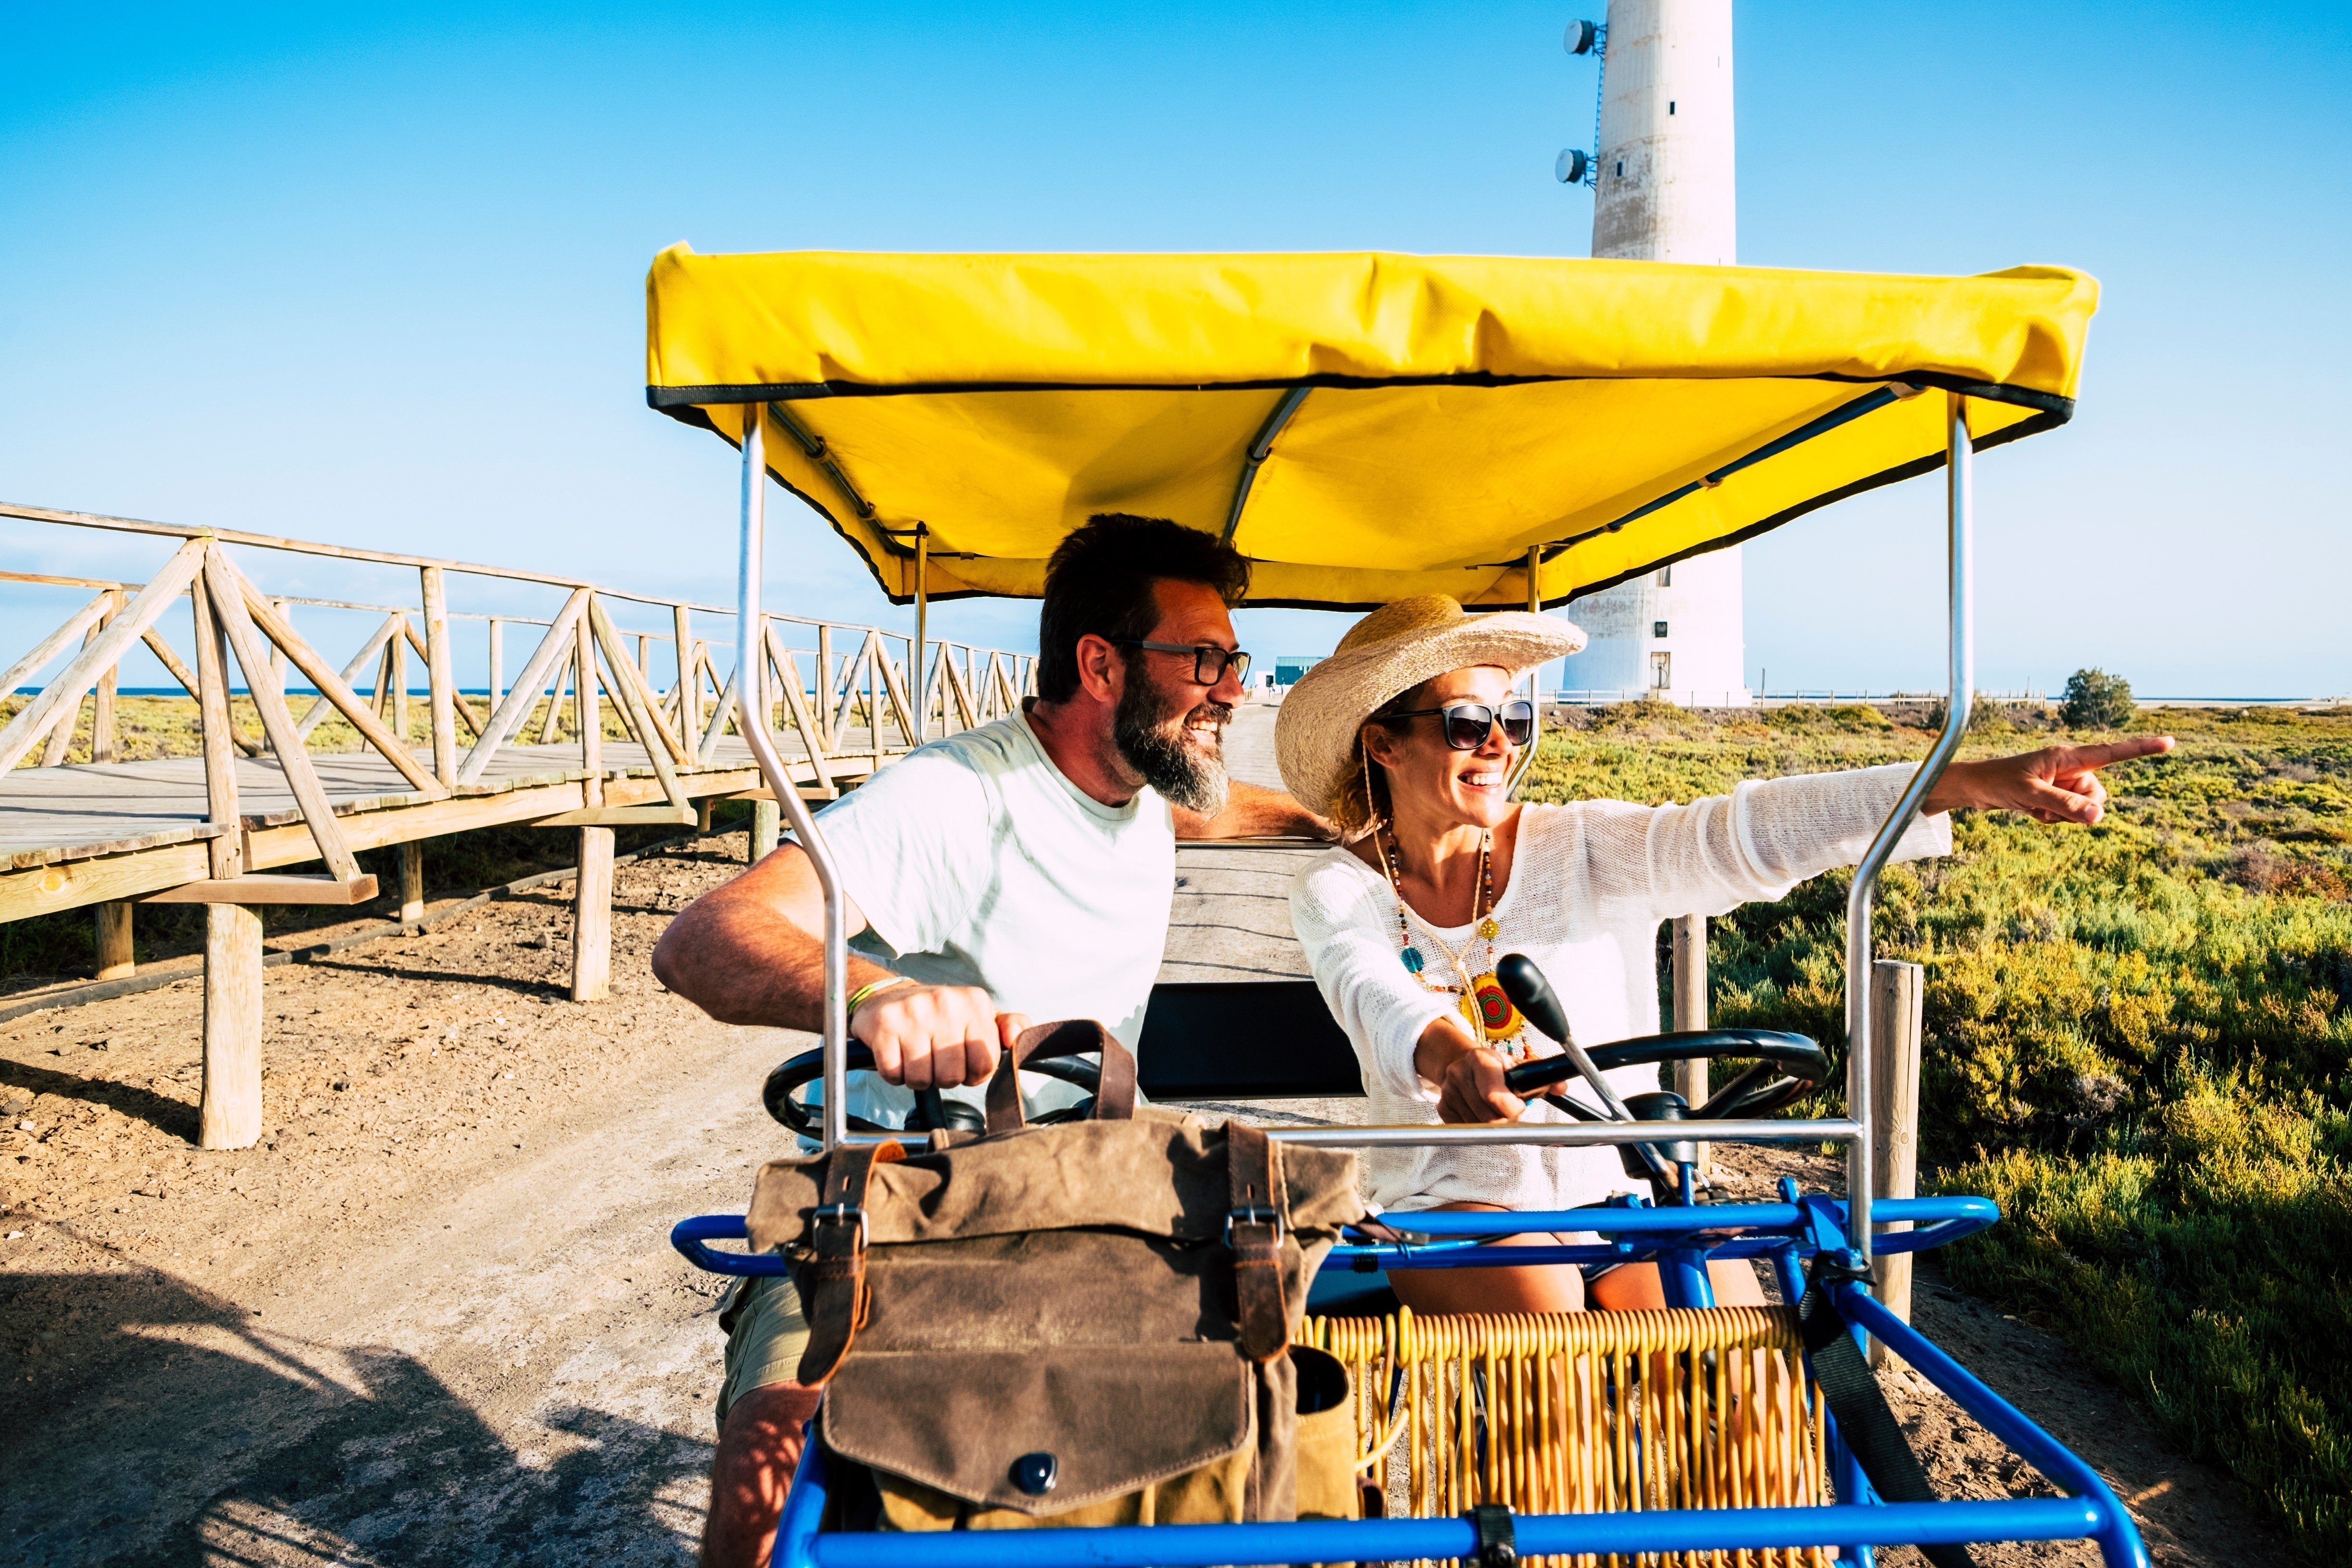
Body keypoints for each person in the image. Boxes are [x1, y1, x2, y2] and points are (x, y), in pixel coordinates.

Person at [651, 513, 1329, 1568]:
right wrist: (878, 996)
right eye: (1205, 659)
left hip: (1095, 1192)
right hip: (908, 1205)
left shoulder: (1140, 789)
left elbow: (1216, 808)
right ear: (1101, 665)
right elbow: (704, 939)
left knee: (1263, 1422)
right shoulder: (956, 795)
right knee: (772, 1467)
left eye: (1233, 659)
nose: (1232, 687)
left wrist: (1349, 830)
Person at [1277, 594, 2171, 1316]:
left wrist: (1965, 782)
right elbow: (1372, 991)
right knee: (1551, 1347)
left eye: (1515, 718)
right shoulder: (1337, 890)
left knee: (1739, 1364)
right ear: (1384, 742)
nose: (1503, 745)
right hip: (1450, 1205)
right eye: (1470, 722)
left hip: (1624, 1192)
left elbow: (1744, 833)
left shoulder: (1583, 844)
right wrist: (1452, 1056)